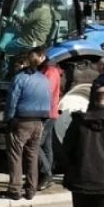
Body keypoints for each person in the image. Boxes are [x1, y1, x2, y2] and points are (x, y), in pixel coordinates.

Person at [1, 55, 51, 200]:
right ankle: (31, 189)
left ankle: (15, 189)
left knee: (16, 155)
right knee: (32, 155)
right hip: (39, 121)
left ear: (24, 64)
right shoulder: (44, 79)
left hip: (22, 120)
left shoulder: (20, 79)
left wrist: (8, 119)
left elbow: (12, 100)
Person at [32, 47, 61, 191]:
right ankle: (45, 176)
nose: (32, 60)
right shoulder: (50, 70)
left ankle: (47, 174)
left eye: (33, 57)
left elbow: (44, 91)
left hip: (46, 113)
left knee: (35, 144)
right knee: (46, 146)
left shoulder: (49, 71)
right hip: (50, 112)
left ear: (41, 56)